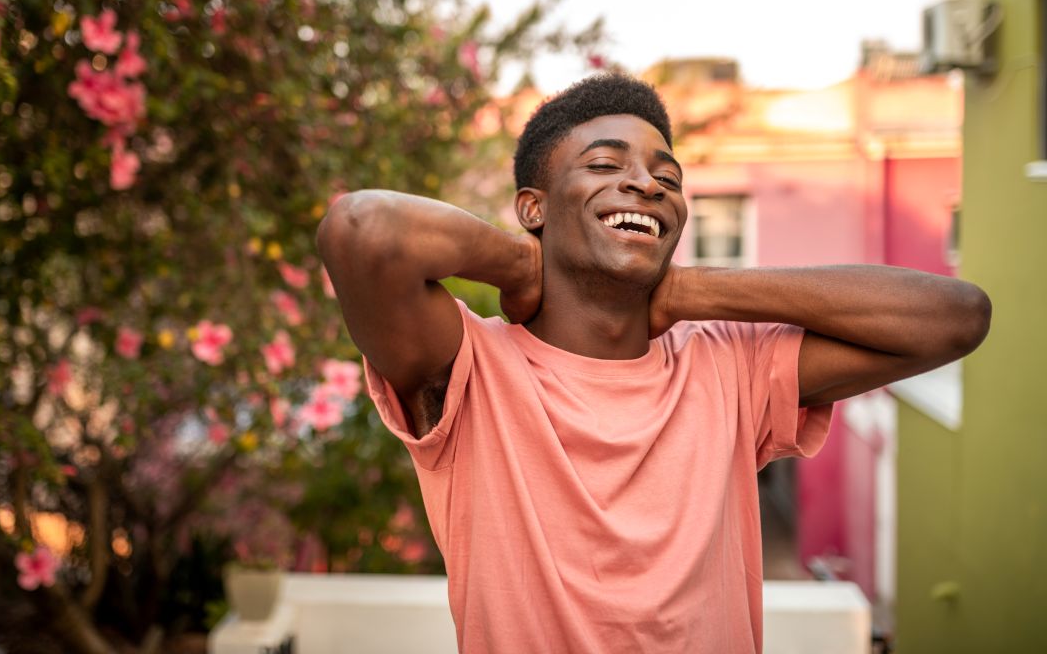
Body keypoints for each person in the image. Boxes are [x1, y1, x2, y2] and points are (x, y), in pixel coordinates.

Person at [316, 72, 991, 654]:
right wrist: (521, 265)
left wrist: (691, 291)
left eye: (667, 178)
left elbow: (955, 318)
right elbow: (362, 230)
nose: (645, 184)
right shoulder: (469, 370)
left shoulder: (730, 369)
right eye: (606, 167)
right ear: (534, 207)